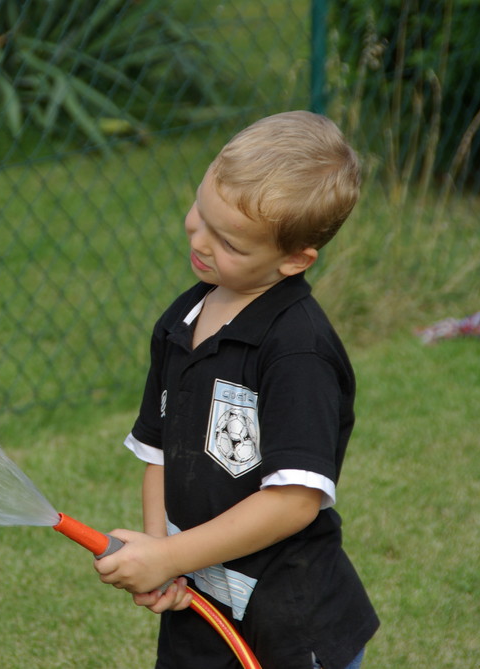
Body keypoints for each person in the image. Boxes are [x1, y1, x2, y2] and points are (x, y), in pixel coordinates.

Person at [94, 111, 379, 669]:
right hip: (201, 615)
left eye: (228, 242)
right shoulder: (183, 318)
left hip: (291, 627)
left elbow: (293, 502)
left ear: (293, 260)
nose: (199, 239)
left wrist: (172, 553)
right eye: (201, 210)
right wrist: (162, 554)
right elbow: (158, 452)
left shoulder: (298, 351)